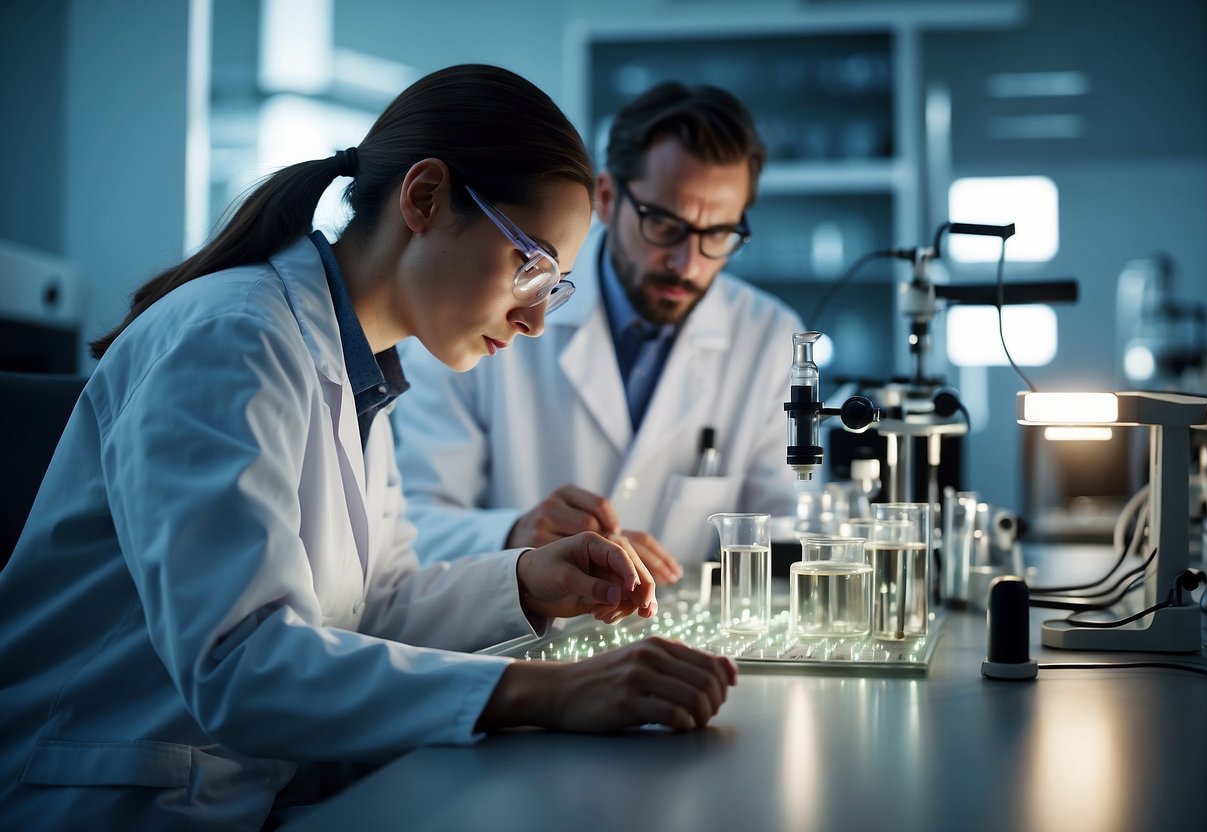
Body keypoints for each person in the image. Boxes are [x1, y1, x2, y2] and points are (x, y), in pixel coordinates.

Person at [0, 65, 737, 832]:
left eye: (552, 286)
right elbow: (240, 667)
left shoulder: (360, 371)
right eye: (530, 267)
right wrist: (545, 690)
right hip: (103, 801)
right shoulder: (231, 339)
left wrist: (522, 582)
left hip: (233, 789)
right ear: (424, 198)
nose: (534, 322)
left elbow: (372, 607)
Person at [393, 82, 805, 583]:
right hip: (524, 642)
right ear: (607, 199)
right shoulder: (478, 312)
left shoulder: (769, 338)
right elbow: (412, 524)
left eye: (717, 233)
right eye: (665, 224)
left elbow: (786, 533)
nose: (687, 263)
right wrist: (517, 535)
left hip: (681, 644)